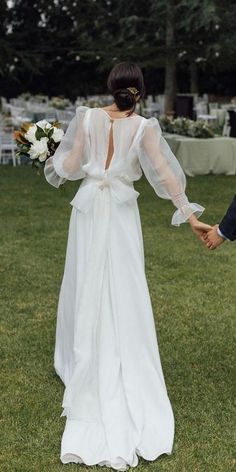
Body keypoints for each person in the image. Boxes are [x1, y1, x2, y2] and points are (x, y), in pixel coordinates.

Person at [44, 62, 211, 470]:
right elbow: (167, 176)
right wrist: (189, 214)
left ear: (111, 87)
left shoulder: (86, 118)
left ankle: (80, 355)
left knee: (85, 280)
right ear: (139, 90)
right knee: (123, 282)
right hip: (120, 214)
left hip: (87, 209)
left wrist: (48, 149)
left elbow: (66, 169)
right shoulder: (144, 128)